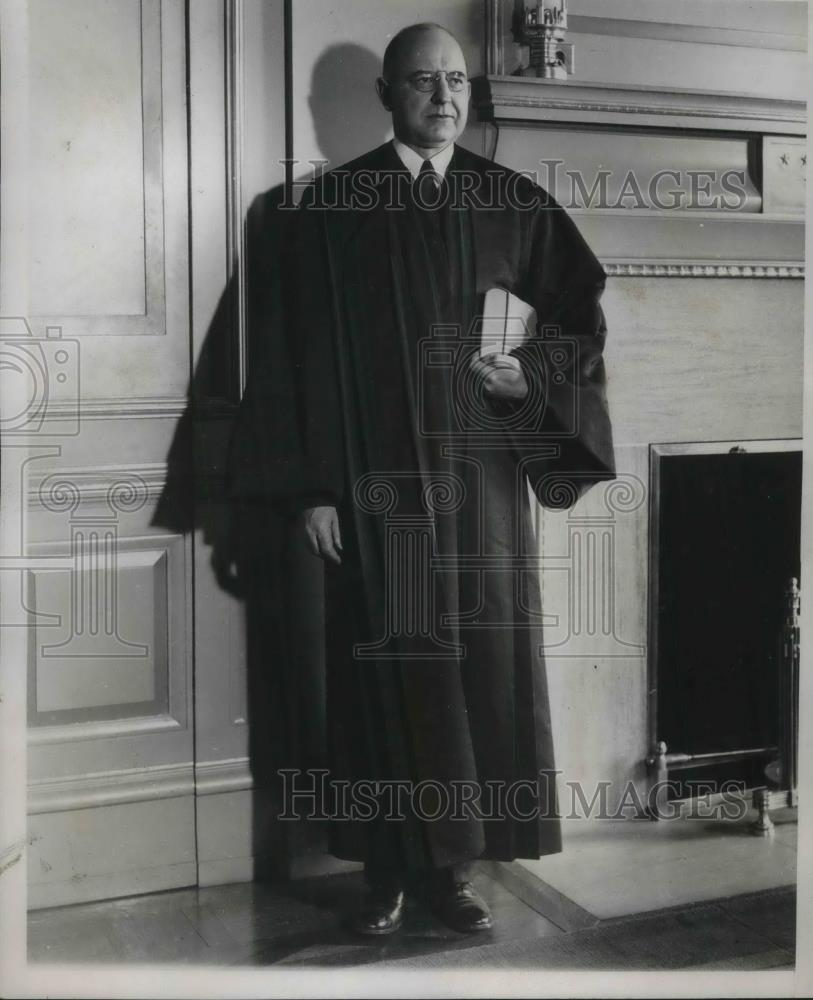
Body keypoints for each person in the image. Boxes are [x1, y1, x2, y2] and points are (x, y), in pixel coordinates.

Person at [227, 22, 614, 936]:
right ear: (385, 96)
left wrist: (530, 377)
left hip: (479, 485)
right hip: (373, 483)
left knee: (476, 668)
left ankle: (454, 876)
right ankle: (386, 878)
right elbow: (285, 358)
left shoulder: (508, 199)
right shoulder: (328, 209)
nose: (443, 97)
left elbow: (579, 314)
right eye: (420, 81)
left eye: (456, 81)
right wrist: (309, 489)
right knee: (385, 672)